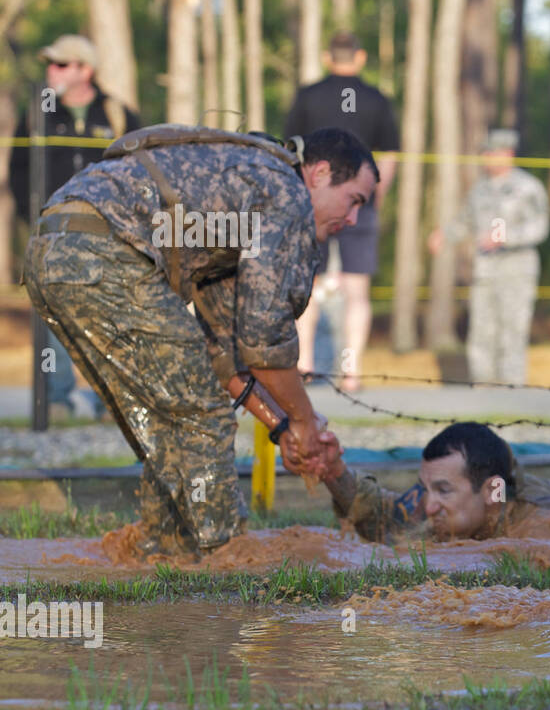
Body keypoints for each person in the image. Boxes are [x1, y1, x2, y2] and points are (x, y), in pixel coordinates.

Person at [23, 126, 377, 558]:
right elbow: (266, 344)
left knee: (168, 412)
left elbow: (227, 358)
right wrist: (304, 422)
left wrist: (284, 426)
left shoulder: (244, 191)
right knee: (202, 413)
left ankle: (163, 547)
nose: (354, 220)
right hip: (101, 251)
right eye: (354, 200)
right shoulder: (288, 193)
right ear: (319, 173)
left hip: (52, 249)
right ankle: (225, 558)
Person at [11, 34, 142, 420]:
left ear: (86, 70)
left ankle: (111, 402)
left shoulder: (117, 114)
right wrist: (34, 220)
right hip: (54, 233)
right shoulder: (39, 112)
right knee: (53, 316)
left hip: (109, 233)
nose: (53, 70)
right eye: (51, 63)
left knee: (111, 317)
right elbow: (19, 171)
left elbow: (142, 172)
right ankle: (56, 399)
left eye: (63, 64)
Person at [286, 31, 399, 392]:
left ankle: (304, 365)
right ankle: (351, 373)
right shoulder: (375, 99)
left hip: (313, 202)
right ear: (361, 57)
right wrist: (373, 194)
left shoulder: (309, 95)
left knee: (309, 282)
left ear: (326, 56)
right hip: (358, 204)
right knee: (356, 289)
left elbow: (291, 149)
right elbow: (391, 154)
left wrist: (301, 194)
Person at [320, 422, 550, 551]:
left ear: (492, 492)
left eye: (443, 490)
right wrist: (334, 472)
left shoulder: (545, 531)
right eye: (426, 488)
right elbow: (382, 513)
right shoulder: (440, 509)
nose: (429, 505)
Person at [428, 129, 550, 385]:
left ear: (507, 154)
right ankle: (483, 388)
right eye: (484, 154)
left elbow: (539, 227)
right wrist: (444, 235)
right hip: (485, 271)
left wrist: (505, 238)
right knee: (481, 332)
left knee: (513, 331)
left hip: (517, 270)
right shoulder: (480, 189)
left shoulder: (528, 187)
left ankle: (512, 390)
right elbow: (466, 222)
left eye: (490, 153)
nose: (486, 159)